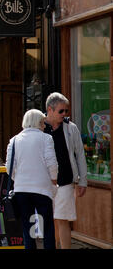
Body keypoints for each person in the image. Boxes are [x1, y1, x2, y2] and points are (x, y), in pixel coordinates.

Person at [5, 109, 58, 249]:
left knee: (27, 228)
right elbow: (52, 163)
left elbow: (9, 167)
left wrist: (19, 178)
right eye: (43, 122)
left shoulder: (14, 140)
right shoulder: (46, 138)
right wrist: (54, 179)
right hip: (42, 188)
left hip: (22, 189)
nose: (45, 125)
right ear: (38, 122)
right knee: (47, 227)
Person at [43, 92, 88, 249]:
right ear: (50, 109)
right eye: (61, 111)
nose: (64, 114)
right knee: (50, 219)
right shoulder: (39, 127)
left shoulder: (70, 128)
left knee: (62, 219)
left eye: (66, 111)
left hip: (66, 181)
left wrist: (82, 180)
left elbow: (80, 154)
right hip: (44, 182)